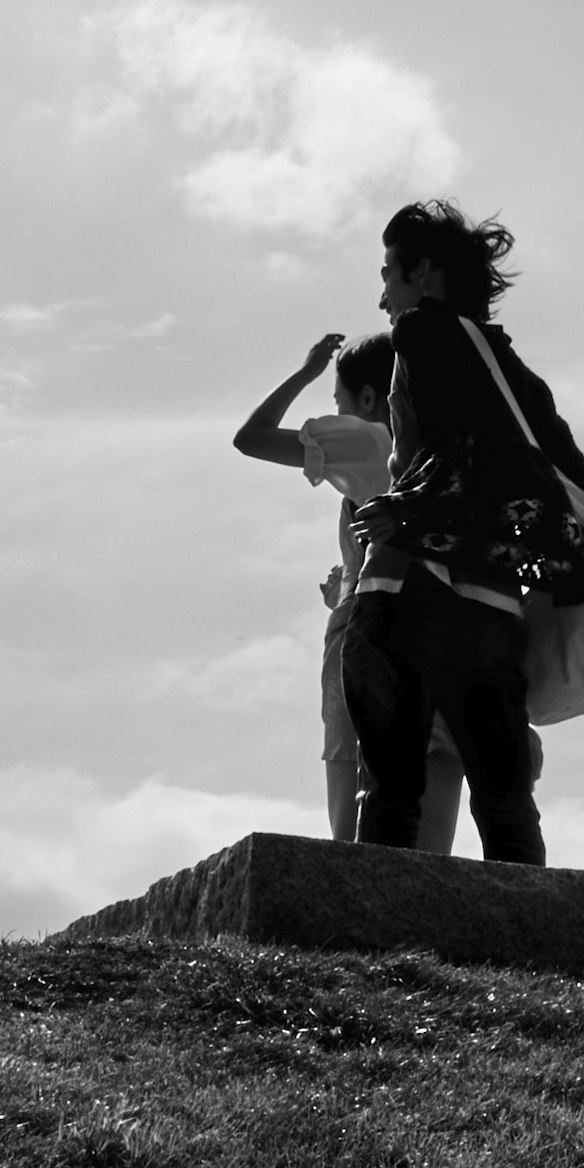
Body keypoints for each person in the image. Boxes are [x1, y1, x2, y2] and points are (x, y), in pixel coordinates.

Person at [342, 200, 584, 866]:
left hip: (406, 590)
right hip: (492, 613)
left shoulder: (421, 333)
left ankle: (378, 954)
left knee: (394, 792)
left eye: (391, 275)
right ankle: (530, 954)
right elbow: (578, 484)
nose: (382, 298)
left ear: (424, 274)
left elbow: (451, 447)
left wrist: (411, 509)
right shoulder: (513, 370)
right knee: (507, 806)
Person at [231, 327, 462, 848]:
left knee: (354, 803)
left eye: (338, 399)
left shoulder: (371, 438)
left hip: (373, 629)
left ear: (368, 398)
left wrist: (307, 371)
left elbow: (251, 438)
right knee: (435, 795)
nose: (335, 410)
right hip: (445, 632)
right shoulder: (447, 451)